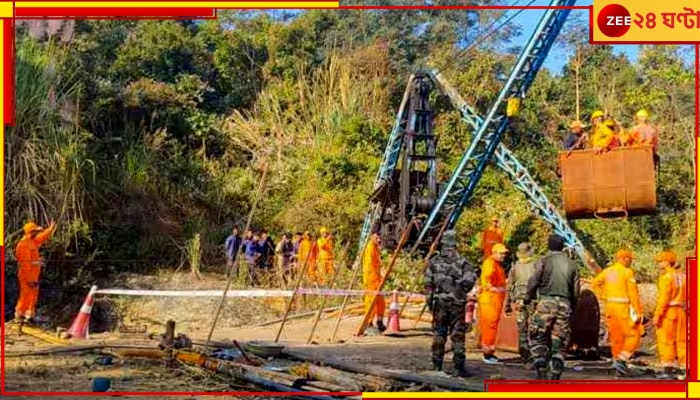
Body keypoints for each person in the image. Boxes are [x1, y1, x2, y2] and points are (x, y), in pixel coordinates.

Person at [525, 235, 580, 380]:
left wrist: (527, 298)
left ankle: (541, 372)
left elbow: (533, 281)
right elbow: (576, 291)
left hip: (546, 303)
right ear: (562, 246)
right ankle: (555, 376)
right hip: (565, 305)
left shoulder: (543, 261)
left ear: (549, 246)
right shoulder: (572, 264)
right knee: (559, 341)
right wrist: (573, 306)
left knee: (537, 337)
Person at [424, 230, 477, 377]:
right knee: (457, 335)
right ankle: (458, 368)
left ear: (443, 243)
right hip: (457, 304)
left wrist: (430, 302)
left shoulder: (434, 262)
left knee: (439, 334)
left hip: (439, 303)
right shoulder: (463, 262)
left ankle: (437, 365)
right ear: (455, 244)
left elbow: (428, 285)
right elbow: (470, 281)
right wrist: (459, 292)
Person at [591, 249, 643, 376]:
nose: (631, 262)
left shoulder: (608, 271)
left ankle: (617, 366)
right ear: (624, 259)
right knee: (634, 335)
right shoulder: (627, 272)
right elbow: (633, 293)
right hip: (623, 308)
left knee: (616, 338)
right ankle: (622, 359)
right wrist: (638, 311)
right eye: (630, 259)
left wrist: (605, 296)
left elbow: (594, 284)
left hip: (611, 308)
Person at [14, 219, 57, 324]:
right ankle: (19, 316)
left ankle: (28, 317)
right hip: (27, 275)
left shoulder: (32, 241)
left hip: (33, 275)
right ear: (31, 232)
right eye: (35, 231)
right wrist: (30, 277)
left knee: (33, 296)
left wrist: (50, 229)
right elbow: (25, 264)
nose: (37, 233)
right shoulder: (23, 245)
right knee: (25, 296)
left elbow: (42, 238)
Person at [652, 251, 686, 380]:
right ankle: (685, 369)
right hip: (681, 312)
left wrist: (657, 315)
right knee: (682, 341)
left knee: (666, 341)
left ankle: (668, 370)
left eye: (660, 261)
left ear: (667, 262)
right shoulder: (683, 277)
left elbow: (663, 299)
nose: (659, 263)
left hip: (668, 312)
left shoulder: (665, 278)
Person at [505, 242, 537, 365]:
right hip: (533, 301)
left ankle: (525, 356)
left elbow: (509, 286)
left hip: (519, 302)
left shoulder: (514, 267)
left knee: (522, 329)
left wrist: (507, 304)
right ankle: (535, 355)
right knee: (534, 329)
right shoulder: (536, 266)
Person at [479, 242, 508, 364]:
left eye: (504, 254)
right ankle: (487, 354)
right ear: (494, 253)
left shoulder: (496, 265)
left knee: (492, 326)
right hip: (490, 301)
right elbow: (486, 282)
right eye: (501, 253)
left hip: (494, 300)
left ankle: (489, 353)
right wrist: (498, 289)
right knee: (489, 327)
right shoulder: (490, 264)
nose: (503, 256)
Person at [362, 231, 386, 334]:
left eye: (379, 238)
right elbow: (369, 267)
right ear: (372, 237)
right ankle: (369, 323)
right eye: (377, 238)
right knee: (370, 302)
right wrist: (373, 279)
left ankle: (379, 322)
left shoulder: (376, 248)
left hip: (377, 279)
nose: (379, 240)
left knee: (381, 301)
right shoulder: (369, 248)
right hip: (371, 279)